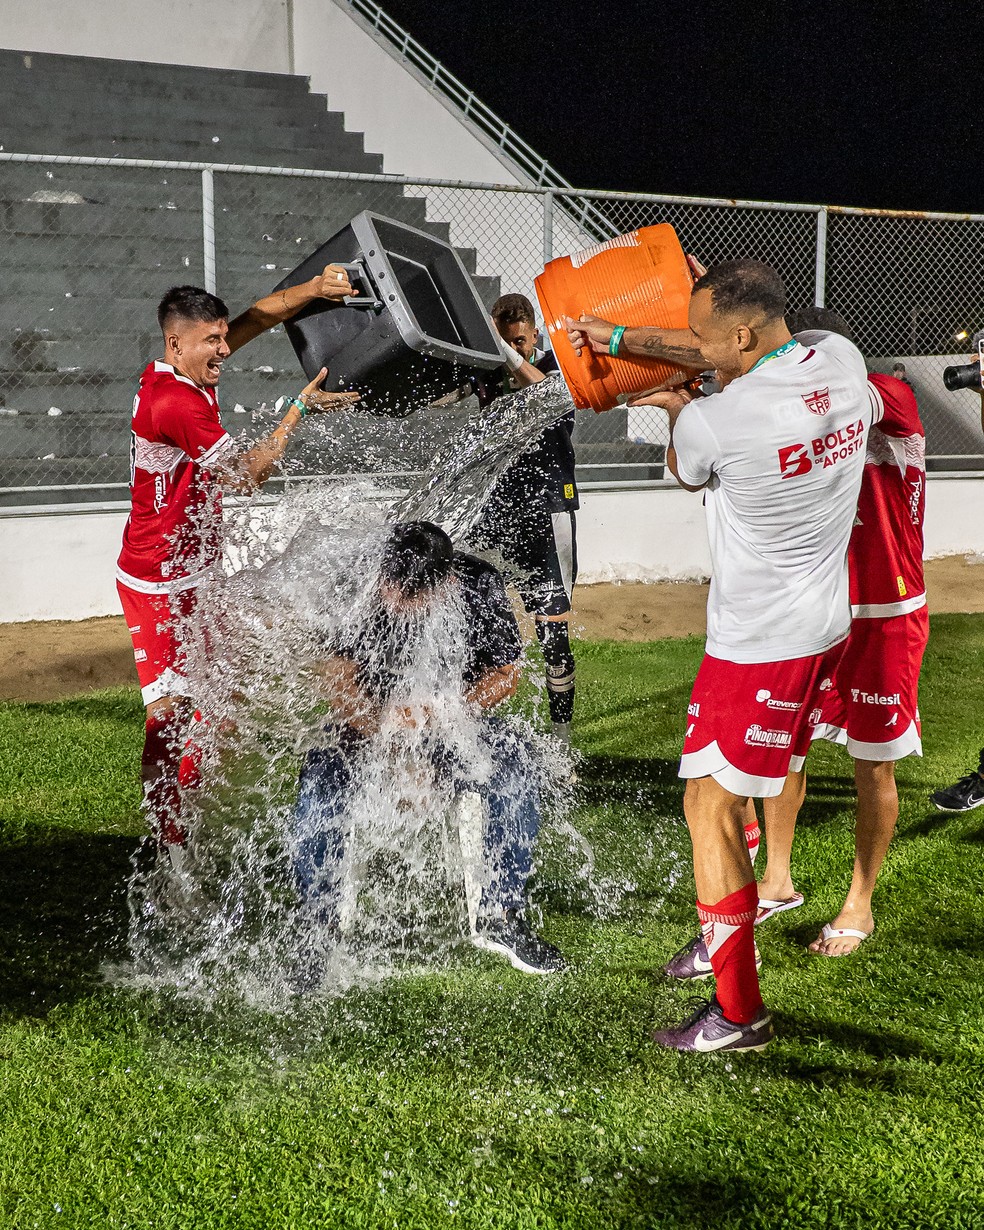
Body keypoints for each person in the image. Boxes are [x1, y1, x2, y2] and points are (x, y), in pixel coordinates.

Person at [567, 260, 870, 1052]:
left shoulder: (716, 420)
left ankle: (739, 1013)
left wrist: (675, 405)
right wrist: (624, 338)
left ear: (739, 336)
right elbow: (745, 352)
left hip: (758, 645)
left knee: (710, 811)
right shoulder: (841, 361)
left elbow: (685, 468)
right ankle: (739, 923)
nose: (691, 346)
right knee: (732, 793)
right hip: (823, 624)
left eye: (702, 336)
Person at [117, 271, 361, 865]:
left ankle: (185, 812)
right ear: (176, 343)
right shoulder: (176, 402)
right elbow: (247, 477)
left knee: (219, 705)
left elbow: (258, 315)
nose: (225, 350)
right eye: (214, 341)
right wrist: (296, 410)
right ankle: (167, 849)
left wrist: (315, 288)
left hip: (197, 570)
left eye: (224, 337)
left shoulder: (185, 369)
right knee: (169, 718)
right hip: (158, 582)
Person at [292, 520, 566, 975]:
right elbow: (337, 680)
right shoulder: (355, 584)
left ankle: (502, 914)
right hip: (366, 726)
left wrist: (445, 714)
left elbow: (506, 675)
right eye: (393, 590)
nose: (399, 603)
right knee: (320, 780)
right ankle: (317, 924)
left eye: (414, 595)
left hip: (453, 724)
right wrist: (389, 735)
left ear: (446, 582)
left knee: (517, 763)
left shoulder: (478, 585)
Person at [753, 306, 928, 955]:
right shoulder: (797, 411)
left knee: (872, 768)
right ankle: (776, 879)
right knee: (783, 750)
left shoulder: (890, 396)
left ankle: (860, 903)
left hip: (886, 616)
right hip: (814, 611)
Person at [468, 294, 578, 745]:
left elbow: (546, 396)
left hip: (549, 507)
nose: (515, 348)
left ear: (533, 334)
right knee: (470, 612)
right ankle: (466, 726)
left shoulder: (558, 364)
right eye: (506, 341)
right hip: (495, 507)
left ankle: (561, 740)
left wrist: (505, 352)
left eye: (520, 340)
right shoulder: (486, 371)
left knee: (553, 627)